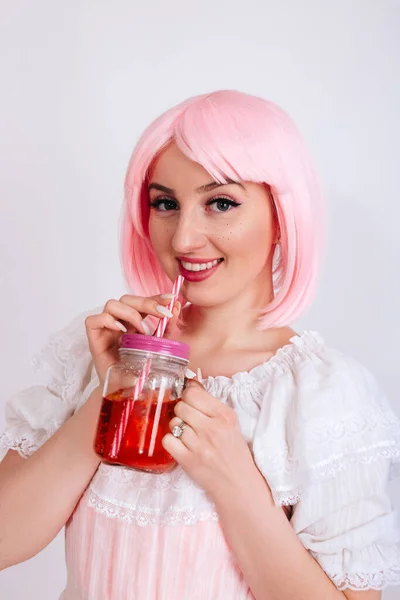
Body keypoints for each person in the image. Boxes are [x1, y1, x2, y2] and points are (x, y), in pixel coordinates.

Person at [0, 90, 399, 600]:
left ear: (282, 215)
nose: (184, 238)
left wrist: (234, 479)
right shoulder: (101, 347)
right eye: (165, 204)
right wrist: (111, 394)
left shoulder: (322, 394)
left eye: (221, 203)